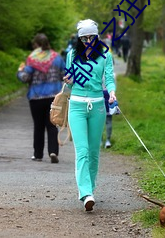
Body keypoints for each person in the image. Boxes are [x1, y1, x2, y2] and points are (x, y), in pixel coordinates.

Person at [63, 19, 116, 211]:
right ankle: (85, 193)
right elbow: (69, 83)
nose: (87, 41)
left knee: (94, 152)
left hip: (98, 106)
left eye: (90, 37)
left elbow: (109, 78)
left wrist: (111, 92)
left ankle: (90, 189)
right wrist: (68, 80)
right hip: (76, 105)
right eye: (83, 38)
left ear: (97, 36)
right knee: (82, 151)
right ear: (79, 38)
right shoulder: (72, 55)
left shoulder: (105, 55)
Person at [17, 33, 65, 163]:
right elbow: (64, 75)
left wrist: (20, 71)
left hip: (36, 97)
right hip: (53, 97)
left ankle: (38, 155)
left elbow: (25, 78)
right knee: (52, 125)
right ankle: (53, 151)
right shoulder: (57, 58)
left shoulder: (32, 59)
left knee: (38, 126)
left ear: (36, 45)